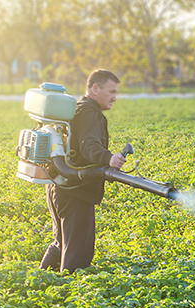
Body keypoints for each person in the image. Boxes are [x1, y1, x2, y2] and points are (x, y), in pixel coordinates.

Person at [40, 69, 126, 273]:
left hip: (58, 187)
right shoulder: (90, 113)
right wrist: (109, 158)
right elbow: (89, 146)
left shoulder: (76, 108)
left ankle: (39, 283)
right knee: (77, 254)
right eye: (111, 91)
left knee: (61, 245)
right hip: (76, 192)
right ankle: (66, 297)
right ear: (95, 88)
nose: (114, 97)